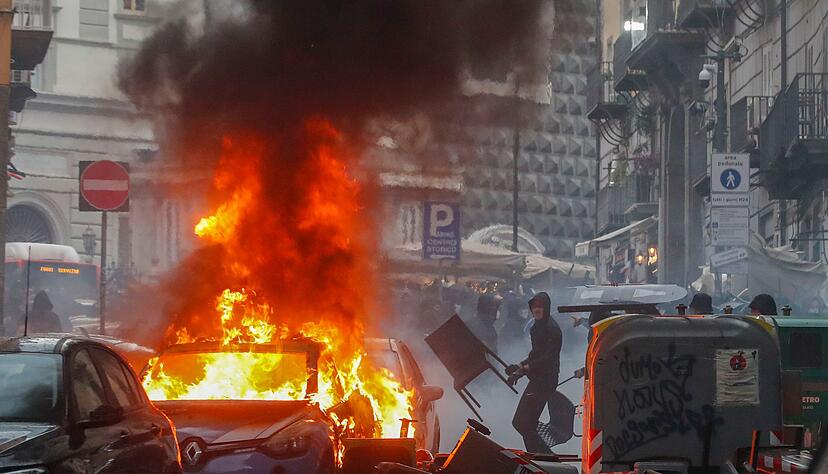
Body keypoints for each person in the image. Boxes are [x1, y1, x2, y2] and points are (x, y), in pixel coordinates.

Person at [507, 292, 562, 453]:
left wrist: (524, 370)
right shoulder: (536, 327)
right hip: (538, 379)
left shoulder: (552, 329)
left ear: (546, 308)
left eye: (540, 306)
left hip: (545, 381)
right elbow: (535, 354)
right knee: (523, 422)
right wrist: (519, 365)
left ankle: (543, 456)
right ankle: (540, 455)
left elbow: (548, 357)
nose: (537, 309)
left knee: (523, 422)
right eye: (534, 306)